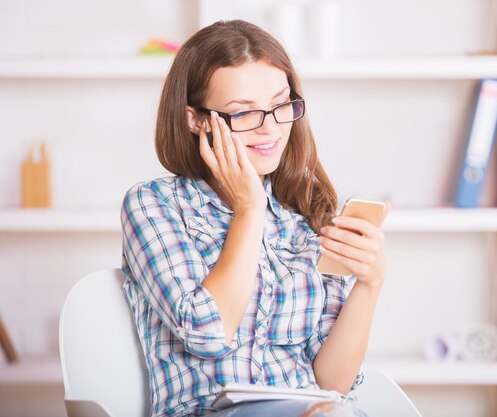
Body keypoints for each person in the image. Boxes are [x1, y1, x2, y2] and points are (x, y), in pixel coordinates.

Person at [121, 19, 387, 417]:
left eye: (281, 105)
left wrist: (369, 283)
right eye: (242, 114)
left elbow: (332, 382)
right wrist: (249, 211)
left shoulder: (307, 214)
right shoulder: (153, 204)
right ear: (196, 119)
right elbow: (206, 332)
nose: (270, 128)